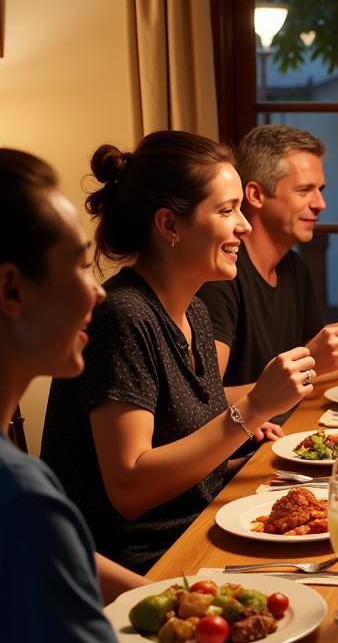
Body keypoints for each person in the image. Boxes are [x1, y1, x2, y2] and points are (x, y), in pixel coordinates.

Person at [0, 147, 338, 643]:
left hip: (177, 562)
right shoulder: (20, 497)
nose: (96, 288)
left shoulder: (194, 310)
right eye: (79, 266)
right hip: (164, 552)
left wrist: (191, 603)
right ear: (11, 290)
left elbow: (66, 562)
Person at [41, 131, 316, 572]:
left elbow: (185, 464)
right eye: (227, 210)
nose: (244, 226)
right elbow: (130, 491)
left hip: (195, 532)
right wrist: (253, 409)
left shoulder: (195, 313)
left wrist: (248, 450)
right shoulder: (124, 316)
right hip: (142, 565)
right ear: (169, 225)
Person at [197, 124, 338, 417]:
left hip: (287, 429)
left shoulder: (294, 268)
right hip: (241, 451)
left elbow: (317, 368)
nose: (320, 204)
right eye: (305, 190)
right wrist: (311, 362)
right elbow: (203, 401)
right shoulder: (221, 276)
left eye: (320, 190)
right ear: (254, 195)